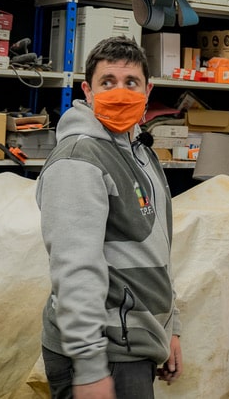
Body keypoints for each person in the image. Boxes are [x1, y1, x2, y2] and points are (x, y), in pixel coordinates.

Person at [36, 36, 182, 398]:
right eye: (108, 82)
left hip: (134, 342)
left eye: (131, 82)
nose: (120, 92)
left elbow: (156, 251)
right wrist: (89, 366)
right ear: (88, 91)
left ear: (148, 90)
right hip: (104, 351)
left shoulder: (142, 153)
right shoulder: (79, 159)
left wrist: (168, 329)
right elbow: (76, 267)